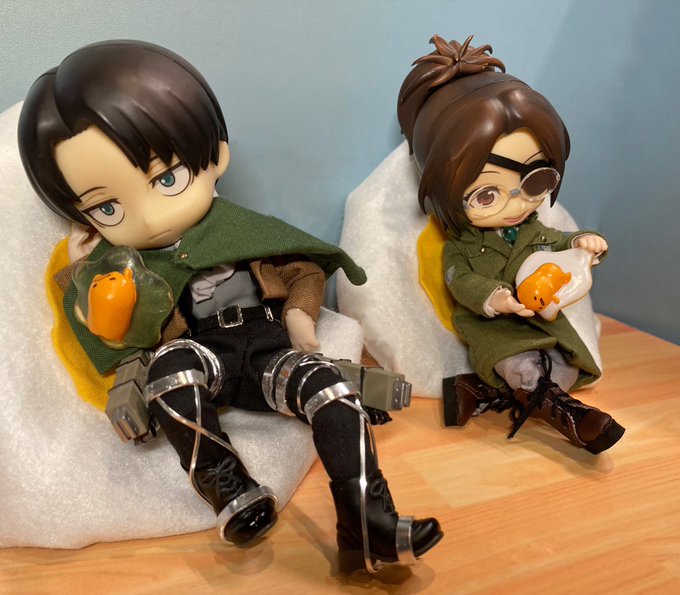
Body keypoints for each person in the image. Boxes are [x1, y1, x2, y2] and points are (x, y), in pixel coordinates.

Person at [18, 40, 442, 573]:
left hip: (268, 351)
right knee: (169, 368)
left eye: (166, 179)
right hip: (206, 357)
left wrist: (300, 313)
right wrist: (87, 272)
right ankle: (230, 489)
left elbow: (303, 270)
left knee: (330, 388)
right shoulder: (125, 267)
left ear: (215, 156)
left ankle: (368, 523)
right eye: (107, 207)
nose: (149, 217)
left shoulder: (247, 232)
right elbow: (117, 335)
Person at [397, 35, 624, 454]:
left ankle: (479, 391)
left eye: (536, 181)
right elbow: (460, 280)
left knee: (563, 369)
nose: (518, 204)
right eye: (487, 195)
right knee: (521, 366)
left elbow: (559, 242)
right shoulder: (462, 246)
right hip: (495, 329)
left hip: (543, 326)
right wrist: (496, 298)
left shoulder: (535, 230)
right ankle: (573, 418)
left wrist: (584, 242)